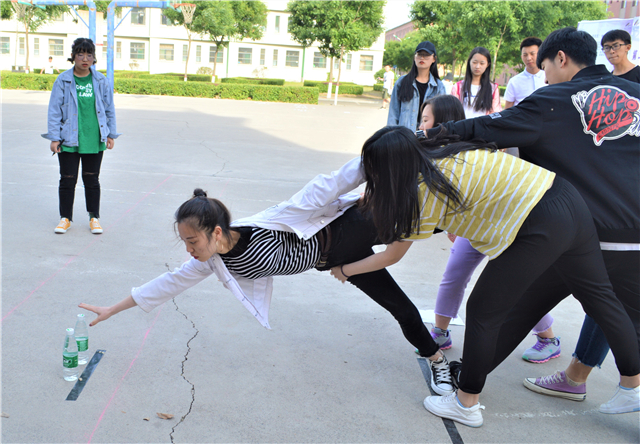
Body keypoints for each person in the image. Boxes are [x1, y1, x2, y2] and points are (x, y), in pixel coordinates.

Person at [330, 125, 640, 428]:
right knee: (600, 295)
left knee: (482, 310)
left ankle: (465, 403)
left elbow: (392, 255)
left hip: (537, 223)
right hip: (565, 197)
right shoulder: (444, 153)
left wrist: (345, 270)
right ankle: (632, 386)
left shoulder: (421, 192)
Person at [424, 27, 640, 414]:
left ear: (560, 59)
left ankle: (467, 392)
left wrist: (435, 134)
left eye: (545, 68)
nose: (544, 76)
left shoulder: (552, 100)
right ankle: (616, 386)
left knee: (501, 308)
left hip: (574, 236)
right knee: (615, 316)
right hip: (633, 238)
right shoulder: (637, 96)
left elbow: (488, 127)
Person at [78, 182, 457, 397]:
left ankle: (475, 219)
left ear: (215, 231)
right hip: (338, 262)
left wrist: (370, 162)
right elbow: (167, 284)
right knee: (402, 309)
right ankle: (437, 361)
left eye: (192, 240)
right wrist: (114, 308)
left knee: (429, 221)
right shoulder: (213, 260)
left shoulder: (264, 225)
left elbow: (326, 185)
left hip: (350, 227)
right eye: (185, 242)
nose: (189, 250)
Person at [420, 96, 560, 365]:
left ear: (442, 124)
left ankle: (548, 338)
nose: (421, 127)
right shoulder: (438, 156)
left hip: (508, 227)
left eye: (426, 121)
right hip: (475, 228)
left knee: (517, 286)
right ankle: (440, 332)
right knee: (455, 273)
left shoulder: (477, 151)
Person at [42, 38, 119, 235]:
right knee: (67, 179)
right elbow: (54, 111)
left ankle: (94, 218)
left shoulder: (101, 80)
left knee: (92, 180)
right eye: (80, 54)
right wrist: (54, 138)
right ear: (73, 56)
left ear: (94, 57)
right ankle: (65, 218)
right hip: (69, 138)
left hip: (94, 138)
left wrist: (110, 134)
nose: (85, 59)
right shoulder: (63, 80)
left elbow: (109, 109)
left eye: (89, 55)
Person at [387, 41, 446, 130]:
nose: (422, 57)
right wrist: (391, 137)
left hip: (427, 137)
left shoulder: (438, 86)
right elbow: (393, 113)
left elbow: (441, 116)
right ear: (414, 57)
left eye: (426, 55)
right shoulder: (402, 82)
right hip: (405, 137)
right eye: (419, 54)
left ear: (434, 58)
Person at [450, 47, 501, 118]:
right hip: (462, 127)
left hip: (482, 128)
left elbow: (495, 114)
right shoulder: (458, 87)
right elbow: (452, 111)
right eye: (474, 62)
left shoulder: (493, 89)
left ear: (487, 64)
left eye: (482, 63)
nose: (477, 66)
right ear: (469, 62)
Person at [504, 37, 546, 108]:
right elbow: (507, 111)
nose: (529, 58)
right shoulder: (514, 82)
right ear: (521, 57)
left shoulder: (550, 78)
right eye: (525, 55)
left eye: (532, 54)